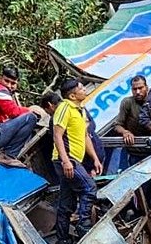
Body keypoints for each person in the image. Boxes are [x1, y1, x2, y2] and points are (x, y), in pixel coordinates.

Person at [52, 79, 103, 243]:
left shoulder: (80, 111)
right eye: (80, 88)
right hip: (66, 159)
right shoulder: (64, 107)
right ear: (72, 95)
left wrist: (95, 158)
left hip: (74, 159)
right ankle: (84, 225)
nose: (84, 89)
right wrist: (65, 161)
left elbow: (85, 137)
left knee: (66, 203)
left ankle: (62, 239)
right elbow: (57, 134)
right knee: (89, 187)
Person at [114, 75, 148, 145]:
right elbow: (117, 125)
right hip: (135, 147)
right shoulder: (127, 102)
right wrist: (125, 132)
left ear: (146, 88)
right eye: (134, 89)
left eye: (140, 88)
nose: (138, 92)